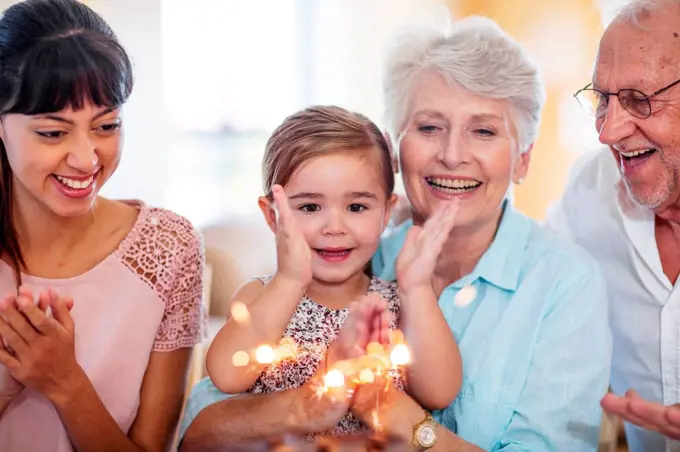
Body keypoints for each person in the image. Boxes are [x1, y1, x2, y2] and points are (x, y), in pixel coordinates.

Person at [179, 16, 612, 452]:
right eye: (428, 127)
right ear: (395, 150)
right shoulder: (348, 259)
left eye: (483, 131)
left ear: (522, 159)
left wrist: (392, 412)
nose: (452, 155)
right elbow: (202, 422)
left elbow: (441, 391)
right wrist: (308, 405)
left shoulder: (564, 283)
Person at [0, 1, 206, 451]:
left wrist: (65, 383)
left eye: (106, 125)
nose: (86, 158)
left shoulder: (168, 247)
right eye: (53, 133)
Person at [205, 105, 463, 436]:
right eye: (310, 207)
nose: (334, 227)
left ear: (386, 213)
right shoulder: (260, 296)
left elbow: (440, 392)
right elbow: (226, 375)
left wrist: (417, 290)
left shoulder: (400, 305)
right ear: (273, 216)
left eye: (357, 207)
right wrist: (290, 280)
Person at [545, 0, 680, 450]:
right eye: (603, 99)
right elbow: (528, 282)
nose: (607, 132)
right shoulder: (591, 188)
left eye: (639, 100)